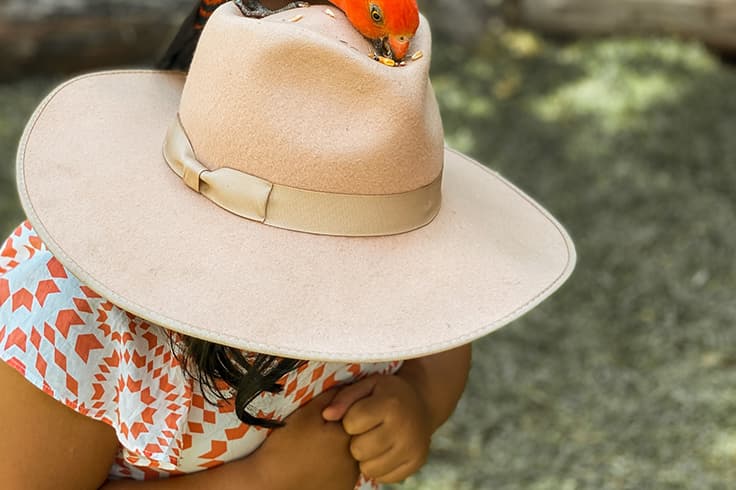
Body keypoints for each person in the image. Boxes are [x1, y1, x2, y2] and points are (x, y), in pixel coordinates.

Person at [0, 4, 575, 490]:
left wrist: (418, 402)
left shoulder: (410, 287)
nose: (384, 306)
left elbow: (443, 350)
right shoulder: (74, 323)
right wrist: (264, 482)